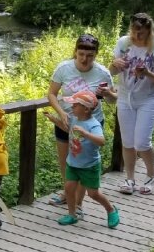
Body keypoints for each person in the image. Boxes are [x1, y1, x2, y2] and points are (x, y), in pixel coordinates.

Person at [45, 34, 115, 208]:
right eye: (81, 54)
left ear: (96, 55)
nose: (84, 59)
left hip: (90, 124)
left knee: (84, 162)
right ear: (75, 52)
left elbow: (114, 99)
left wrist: (108, 94)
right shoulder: (64, 68)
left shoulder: (102, 73)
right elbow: (51, 94)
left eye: (90, 56)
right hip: (66, 121)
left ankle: (78, 202)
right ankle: (67, 193)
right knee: (66, 161)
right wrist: (60, 112)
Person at [110, 13, 154, 195]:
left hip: (149, 98)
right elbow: (112, 71)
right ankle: (130, 179)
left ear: (149, 31)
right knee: (128, 142)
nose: (138, 36)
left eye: (142, 33)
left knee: (142, 142)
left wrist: (147, 73)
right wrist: (115, 64)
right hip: (125, 96)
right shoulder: (123, 43)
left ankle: (151, 174)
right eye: (135, 32)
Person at [45, 91, 120, 227]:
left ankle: (111, 209)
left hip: (89, 165)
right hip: (73, 163)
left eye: (75, 105)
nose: (71, 107)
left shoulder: (94, 125)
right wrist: (54, 120)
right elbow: (69, 129)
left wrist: (86, 133)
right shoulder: (74, 119)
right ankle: (72, 214)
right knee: (68, 188)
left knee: (93, 193)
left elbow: (101, 141)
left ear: (86, 109)